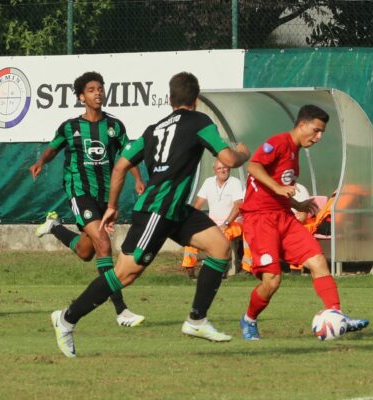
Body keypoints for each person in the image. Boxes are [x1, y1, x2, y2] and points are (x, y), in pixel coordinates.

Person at [50, 72, 250, 357]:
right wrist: (242, 152)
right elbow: (228, 159)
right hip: (157, 210)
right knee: (125, 274)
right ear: (196, 98)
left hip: (175, 210)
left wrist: (112, 205)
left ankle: (196, 319)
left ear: (170, 100)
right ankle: (66, 319)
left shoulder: (153, 129)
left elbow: (120, 167)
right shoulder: (199, 121)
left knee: (220, 248)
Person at [238, 104, 369, 340]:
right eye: (316, 130)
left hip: (283, 217)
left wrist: (297, 205)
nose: (319, 137)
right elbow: (253, 166)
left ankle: (337, 314)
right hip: (260, 219)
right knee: (272, 281)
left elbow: (275, 191)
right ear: (302, 124)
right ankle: (249, 320)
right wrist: (278, 186)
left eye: (322, 133)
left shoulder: (295, 152)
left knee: (318, 261)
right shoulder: (278, 142)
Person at [29, 71, 146, 328]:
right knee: (104, 245)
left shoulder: (115, 126)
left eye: (100, 89)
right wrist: (40, 161)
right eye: (92, 90)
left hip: (104, 197)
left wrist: (138, 179)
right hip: (79, 191)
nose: (98, 93)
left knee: (86, 251)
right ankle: (121, 310)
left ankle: (54, 227)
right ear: (82, 97)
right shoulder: (70, 127)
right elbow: (53, 147)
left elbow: (129, 154)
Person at [182, 160, 244, 277]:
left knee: (222, 236)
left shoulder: (235, 182)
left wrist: (226, 223)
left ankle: (220, 269)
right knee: (192, 235)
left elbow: (238, 206)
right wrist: (191, 222)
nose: (222, 170)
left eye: (225, 168)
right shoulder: (208, 182)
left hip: (233, 222)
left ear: (229, 168)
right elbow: (198, 204)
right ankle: (189, 269)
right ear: (214, 170)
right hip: (213, 223)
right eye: (219, 168)